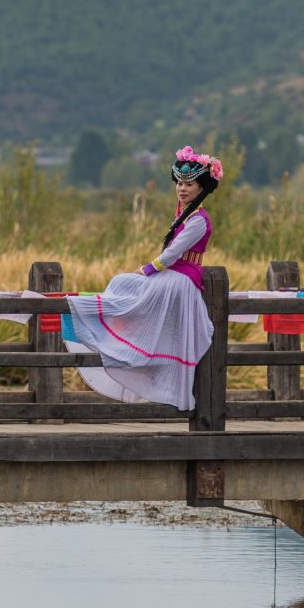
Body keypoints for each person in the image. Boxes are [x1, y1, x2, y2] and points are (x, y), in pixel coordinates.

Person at [63, 146, 222, 410]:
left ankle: (134, 347)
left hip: (179, 279)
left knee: (131, 289)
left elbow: (172, 254)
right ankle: (119, 339)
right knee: (120, 283)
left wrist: (147, 269)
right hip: (171, 274)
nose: (182, 189)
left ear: (201, 188)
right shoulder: (184, 214)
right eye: (179, 184)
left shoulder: (198, 220)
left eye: (190, 184)